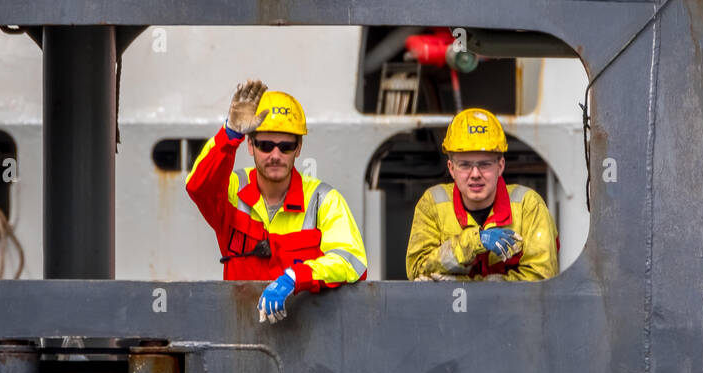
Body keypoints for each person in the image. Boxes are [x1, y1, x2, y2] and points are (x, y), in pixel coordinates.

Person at [186, 80, 368, 324]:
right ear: (250, 145)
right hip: (239, 336)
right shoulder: (232, 190)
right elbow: (198, 186)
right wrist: (229, 135)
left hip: (308, 341)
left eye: (285, 146)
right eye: (265, 145)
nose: (275, 155)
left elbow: (351, 260)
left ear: (298, 148)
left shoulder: (323, 200)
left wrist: (296, 276)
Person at [406, 108, 559, 282]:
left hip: (511, 310)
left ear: (500, 166)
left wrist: (468, 286)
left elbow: (541, 279)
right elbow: (417, 270)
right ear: (451, 168)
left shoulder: (529, 206)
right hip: (447, 310)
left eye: (485, 164)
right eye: (464, 165)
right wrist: (473, 242)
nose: (475, 174)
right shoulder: (433, 203)